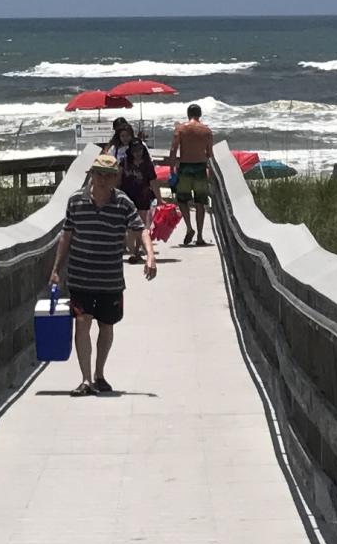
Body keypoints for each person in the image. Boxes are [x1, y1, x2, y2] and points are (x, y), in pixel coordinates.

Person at [49, 151, 154, 396]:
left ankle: (99, 374)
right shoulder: (75, 201)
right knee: (82, 322)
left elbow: (141, 230)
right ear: (92, 175)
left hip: (110, 279)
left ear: (115, 177)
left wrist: (151, 255)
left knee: (106, 326)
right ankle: (85, 379)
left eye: (108, 175)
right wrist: (55, 270)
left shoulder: (123, 203)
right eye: (99, 174)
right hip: (80, 276)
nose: (103, 179)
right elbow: (66, 236)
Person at [168, 103, 216, 247]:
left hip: (185, 167)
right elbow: (210, 154)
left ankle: (189, 227)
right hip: (200, 167)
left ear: (188, 114)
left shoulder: (181, 129)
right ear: (200, 115)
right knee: (200, 202)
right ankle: (200, 237)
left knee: (182, 200)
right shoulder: (206, 131)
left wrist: (171, 169)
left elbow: (173, 150)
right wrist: (211, 172)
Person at [110, 116, 160, 214]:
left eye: (127, 135)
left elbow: (149, 164)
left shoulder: (141, 145)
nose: (125, 138)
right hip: (125, 186)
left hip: (141, 187)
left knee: (142, 217)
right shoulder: (115, 149)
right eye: (122, 136)